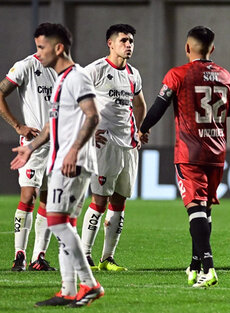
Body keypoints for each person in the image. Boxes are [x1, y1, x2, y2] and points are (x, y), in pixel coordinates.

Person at [10, 22, 104, 307]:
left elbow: (92, 116)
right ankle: (68, 289)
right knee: (63, 223)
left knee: (58, 222)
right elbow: (52, 127)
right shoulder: (61, 80)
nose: (37, 54)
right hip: (59, 161)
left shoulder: (76, 77)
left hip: (72, 163)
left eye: (41, 48)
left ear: (58, 47)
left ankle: (89, 285)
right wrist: (29, 148)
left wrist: (74, 150)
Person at [139, 26, 230, 288]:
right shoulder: (226, 75)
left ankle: (209, 268)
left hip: (189, 153)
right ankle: (194, 265)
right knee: (204, 210)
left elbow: (159, 106)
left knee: (195, 210)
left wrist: (142, 128)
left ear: (187, 48)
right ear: (212, 49)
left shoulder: (177, 74)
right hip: (216, 152)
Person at [80, 24, 147, 272]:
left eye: (131, 41)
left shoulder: (133, 74)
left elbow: (140, 105)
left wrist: (141, 129)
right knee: (100, 199)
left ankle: (107, 258)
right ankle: (84, 254)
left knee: (120, 201)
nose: (128, 45)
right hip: (104, 144)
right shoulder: (95, 70)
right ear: (110, 43)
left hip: (128, 145)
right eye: (124, 40)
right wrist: (85, 128)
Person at [0, 39, 57, 272]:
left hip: (57, 145)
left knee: (49, 200)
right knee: (29, 196)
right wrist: (18, 126)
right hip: (33, 144)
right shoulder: (25, 66)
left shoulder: (62, 71)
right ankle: (19, 255)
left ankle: (39, 257)